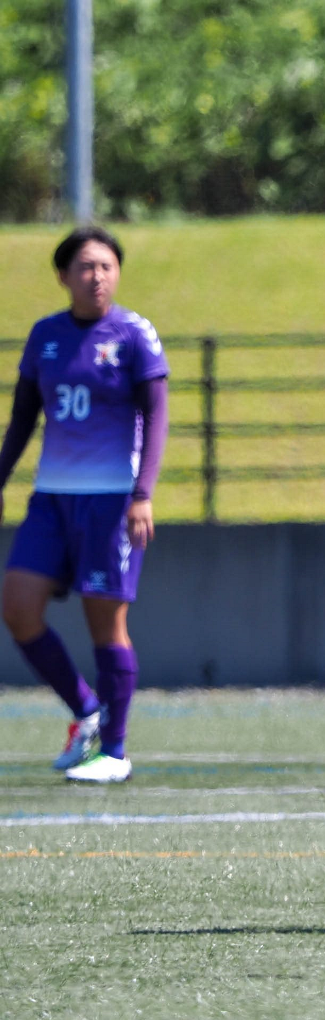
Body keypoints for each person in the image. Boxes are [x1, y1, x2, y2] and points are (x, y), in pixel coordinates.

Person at [0, 226, 170, 784]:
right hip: (52, 499)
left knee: (106, 624)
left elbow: (157, 416)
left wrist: (142, 494)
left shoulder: (134, 334)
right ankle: (86, 709)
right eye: (85, 267)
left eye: (106, 266)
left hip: (110, 501)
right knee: (18, 608)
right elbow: (23, 418)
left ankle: (114, 752)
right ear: (63, 276)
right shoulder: (45, 335)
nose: (97, 276)